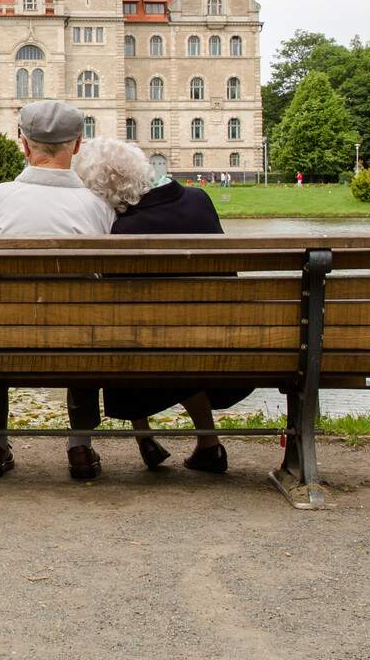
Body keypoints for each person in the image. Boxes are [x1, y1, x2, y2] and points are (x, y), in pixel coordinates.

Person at [72, 137, 246, 476]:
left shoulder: (121, 231)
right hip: (226, 340)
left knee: (124, 334)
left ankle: (144, 436)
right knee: (174, 334)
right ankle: (208, 444)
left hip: (155, 349)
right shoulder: (199, 199)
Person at [0, 100, 113, 479]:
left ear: (23, 144)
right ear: (77, 145)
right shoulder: (98, 206)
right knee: (86, 316)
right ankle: (80, 444)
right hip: (77, 340)